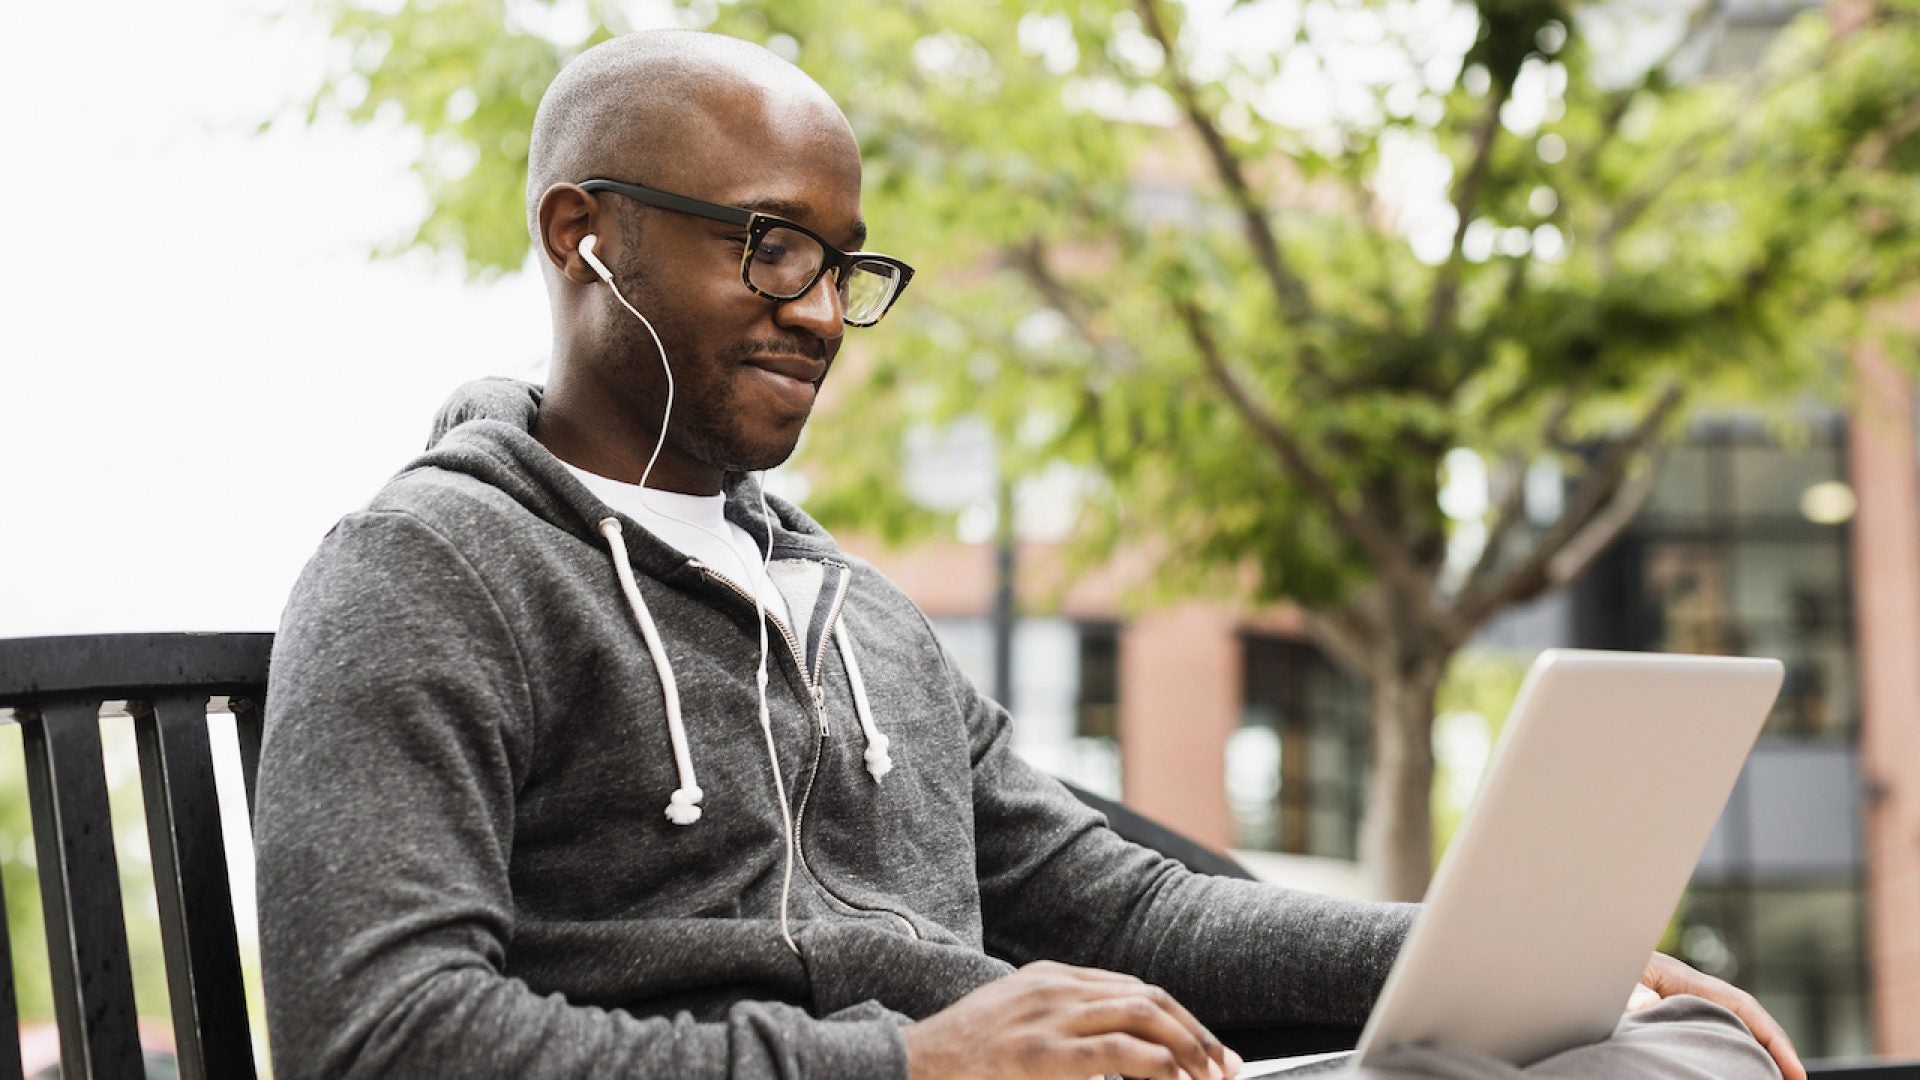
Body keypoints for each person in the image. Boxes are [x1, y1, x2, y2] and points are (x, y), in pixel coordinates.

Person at [254, 29, 1800, 1080]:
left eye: (844, 266)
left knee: (1666, 1046)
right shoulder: (432, 570)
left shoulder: (855, 614)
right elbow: (380, 1034)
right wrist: (911, 1062)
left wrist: (1532, 954)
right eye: (770, 245)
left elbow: (1126, 912)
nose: (819, 311)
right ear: (581, 234)